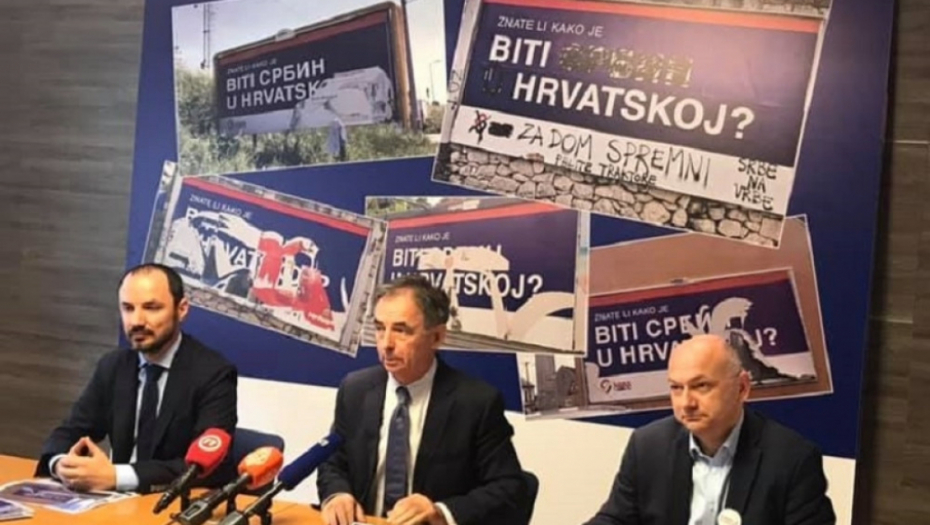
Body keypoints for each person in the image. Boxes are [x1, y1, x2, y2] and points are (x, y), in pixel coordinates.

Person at [317, 275, 528, 525]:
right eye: (380, 328)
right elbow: (332, 461)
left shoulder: (476, 402)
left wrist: (441, 512)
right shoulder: (355, 390)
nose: (386, 344)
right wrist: (337, 494)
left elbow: (509, 487)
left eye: (401, 330)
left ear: (437, 337)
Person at [585, 334, 835, 525]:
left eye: (701, 386)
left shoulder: (792, 459)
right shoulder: (647, 446)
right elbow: (615, 519)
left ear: (742, 388)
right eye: (676, 388)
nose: (686, 403)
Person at [35, 263, 238, 494]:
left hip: (171, 502)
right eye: (128, 308)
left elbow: (209, 467)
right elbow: (70, 431)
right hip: (115, 504)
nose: (137, 321)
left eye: (151, 308)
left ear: (181, 309)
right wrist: (61, 463)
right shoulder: (113, 366)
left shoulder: (213, 373)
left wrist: (117, 476)